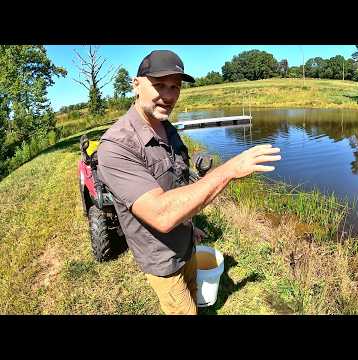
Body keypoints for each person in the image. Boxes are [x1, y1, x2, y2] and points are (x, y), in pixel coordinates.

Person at [97, 50, 281, 315]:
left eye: (175, 87)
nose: (169, 96)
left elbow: (178, 184)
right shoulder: (116, 147)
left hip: (186, 243)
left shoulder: (168, 129)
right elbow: (161, 214)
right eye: (159, 85)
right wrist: (227, 171)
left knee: (194, 296)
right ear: (136, 84)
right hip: (163, 258)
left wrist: (189, 225)